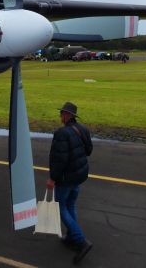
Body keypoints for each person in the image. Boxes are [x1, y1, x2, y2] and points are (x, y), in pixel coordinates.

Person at [47, 102, 93, 264]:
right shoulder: (83, 129)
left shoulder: (62, 133)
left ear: (67, 115)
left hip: (66, 178)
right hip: (79, 176)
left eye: (62, 114)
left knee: (61, 207)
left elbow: (58, 160)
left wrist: (52, 178)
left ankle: (81, 241)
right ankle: (71, 237)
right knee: (71, 205)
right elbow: (88, 151)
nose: (60, 116)